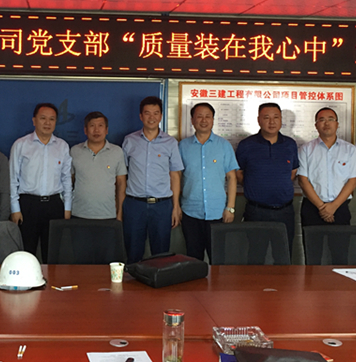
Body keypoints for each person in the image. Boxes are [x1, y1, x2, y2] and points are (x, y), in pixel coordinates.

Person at [122, 96, 184, 264]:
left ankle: (159, 281)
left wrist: (176, 206)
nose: (152, 117)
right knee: (133, 253)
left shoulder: (170, 142)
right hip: (135, 205)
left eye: (156, 113)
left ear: (161, 116)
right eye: (147, 113)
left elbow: (175, 175)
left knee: (161, 254)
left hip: (162, 206)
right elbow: (122, 174)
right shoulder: (129, 141)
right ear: (141, 116)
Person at [9, 103, 72, 260]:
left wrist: (67, 207)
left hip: (54, 205)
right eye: (43, 118)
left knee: (52, 253)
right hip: (28, 205)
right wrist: (15, 209)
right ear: (34, 120)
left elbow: (66, 179)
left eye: (52, 119)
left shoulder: (62, 146)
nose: (47, 123)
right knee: (26, 253)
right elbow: (12, 178)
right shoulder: (21, 145)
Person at [235, 102, 299, 256]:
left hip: (285, 211)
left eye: (276, 117)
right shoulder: (246, 145)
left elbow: (292, 172)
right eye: (266, 117)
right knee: (256, 255)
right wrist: (255, 185)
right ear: (258, 120)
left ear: (281, 120)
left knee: (284, 255)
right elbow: (238, 173)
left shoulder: (290, 144)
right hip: (256, 211)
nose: (272, 122)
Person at [179, 102, 239, 262]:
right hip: (190, 212)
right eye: (199, 116)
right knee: (193, 258)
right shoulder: (182, 146)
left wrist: (230, 208)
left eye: (208, 116)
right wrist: (176, 206)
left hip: (218, 212)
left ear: (213, 120)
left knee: (218, 258)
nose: (203, 120)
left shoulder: (224, 145)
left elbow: (232, 178)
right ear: (192, 120)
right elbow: (176, 177)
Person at [297, 107, 356, 227]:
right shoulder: (306, 149)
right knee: (312, 240)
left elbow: (352, 182)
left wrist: (333, 206)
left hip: (340, 208)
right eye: (322, 120)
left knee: (340, 240)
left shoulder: (350, 149)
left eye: (331, 119)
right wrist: (322, 207)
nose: (326, 123)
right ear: (316, 125)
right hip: (312, 208)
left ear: (337, 124)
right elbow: (303, 180)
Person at [70, 112, 127, 220]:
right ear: (85, 130)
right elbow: (69, 182)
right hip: (78, 213)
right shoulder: (74, 151)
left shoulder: (117, 152)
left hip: (108, 214)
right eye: (92, 126)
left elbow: (121, 184)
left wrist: (120, 214)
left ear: (106, 130)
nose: (96, 130)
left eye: (100, 126)